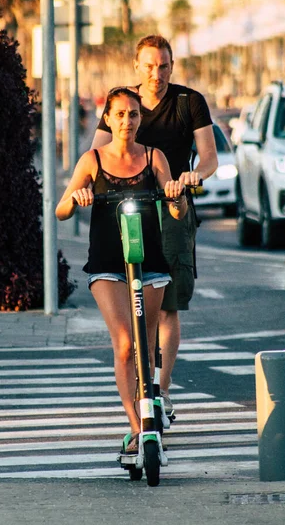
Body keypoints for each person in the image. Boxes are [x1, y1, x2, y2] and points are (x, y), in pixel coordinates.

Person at [91, 35, 218, 415]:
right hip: (126, 208)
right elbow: (95, 153)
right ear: (136, 66)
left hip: (171, 203)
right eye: (148, 66)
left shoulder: (188, 102)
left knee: (168, 304)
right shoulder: (123, 104)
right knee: (125, 302)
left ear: (171, 66)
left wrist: (192, 178)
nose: (156, 74)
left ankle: (160, 390)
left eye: (163, 66)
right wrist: (85, 190)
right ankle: (134, 398)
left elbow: (209, 157)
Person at [56, 88, 188, 452]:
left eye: (133, 114)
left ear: (139, 119)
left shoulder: (153, 156)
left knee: (146, 349)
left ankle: (151, 412)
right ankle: (137, 428)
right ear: (109, 119)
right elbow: (61, 209)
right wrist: (78, 198)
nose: (127, 121)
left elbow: (178, 211)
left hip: (150, 263)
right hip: (107, 263)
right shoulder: (92, 159)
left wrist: (175, 195)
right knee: (126, 345)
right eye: (120, 114)